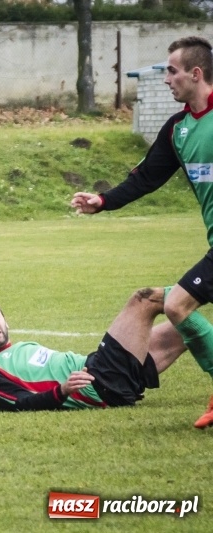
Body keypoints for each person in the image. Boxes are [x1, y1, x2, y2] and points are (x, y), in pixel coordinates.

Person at [71, 36, 213, 428]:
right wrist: (103, 201)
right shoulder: (178, 129)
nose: (166, 79)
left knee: (177, 305)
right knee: (177, 306)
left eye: (172, 71)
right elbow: (147, 177)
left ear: (195, 73)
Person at [0, 287, 187, 411]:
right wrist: (62, 390)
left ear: (5, 321)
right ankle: (199, 287)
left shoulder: (24, 346)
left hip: (104, 372)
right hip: (100, 381)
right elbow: (20, 403)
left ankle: (196, 291)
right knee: (145, 299)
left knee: (186, 328)